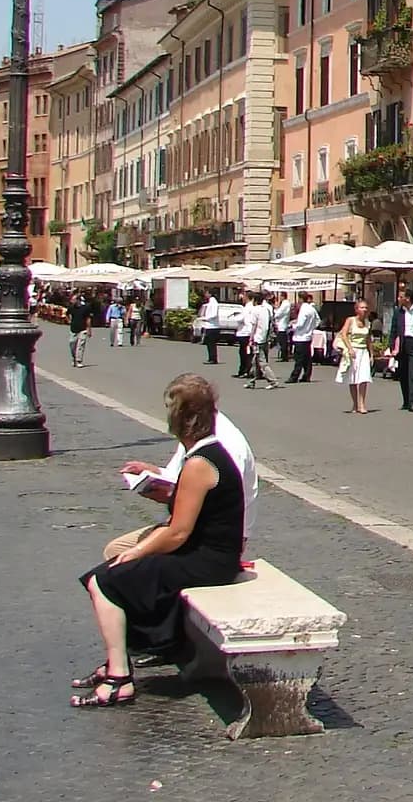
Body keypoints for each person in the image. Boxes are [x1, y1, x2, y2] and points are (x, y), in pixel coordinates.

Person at [72, 375, 244, 709]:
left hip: (207, 561)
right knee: (108, 575)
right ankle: (116, 662)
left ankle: (119, 676)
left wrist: (136, 553)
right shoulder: (206, 454)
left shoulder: (200, 463)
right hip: (205, 553)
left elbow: (178, 531)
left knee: (104, 582)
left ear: (182, 417)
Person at [109, 391, 257, 560]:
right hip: (192, 526)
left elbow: (219, 501)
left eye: (172, 409)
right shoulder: (198, 433)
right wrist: (153, 472)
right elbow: (177, 476)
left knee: (117, 564)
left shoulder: (225, 444)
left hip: (212, 537)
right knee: (116, 551)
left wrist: (171, 496)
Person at [389, 285, 413, 411]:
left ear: (407, 298)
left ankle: (412, 402)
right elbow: (394, 330)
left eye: (401, 296)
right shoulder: (398, 312)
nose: (398, 298)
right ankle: (405, 400)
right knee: (403, 373)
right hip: (402, 343)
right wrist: (391, 346)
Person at [335, 298, 374, 414]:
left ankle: (362, 404)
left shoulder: (368, 322)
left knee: (364, 377)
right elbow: (343, 334)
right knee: (353, 378)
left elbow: (368, 339)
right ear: (356, 309)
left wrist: (371, 354)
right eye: (362, 307)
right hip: (353, 352)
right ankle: (355, 403)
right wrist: (350, 348)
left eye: (366, 308)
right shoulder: (350, 320)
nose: (364, 310)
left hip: (363, 352)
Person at [244, 292, 280, 390]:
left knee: (262, 362)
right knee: (255, 361)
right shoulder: (267, 310)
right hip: (265, 338)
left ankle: (273, 381)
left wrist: (251, 338)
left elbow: (254, 326)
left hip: (258, 338)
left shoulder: (255, 310)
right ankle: (252, 381)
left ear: (254, 301)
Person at [287, 291, 320, 383]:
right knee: (307, 358)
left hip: (300, 336)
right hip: (308, 336)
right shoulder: (311, 309)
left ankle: (294, 376)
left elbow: (300, 324)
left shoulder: (303, 309)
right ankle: (306, 375)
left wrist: (292, 326)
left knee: (299, 358)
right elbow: (318, 320)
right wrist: (311, 327)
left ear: (300, 299)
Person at [67, 289, 95, 368]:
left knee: (81, 345)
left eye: (73, 299)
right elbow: (67, 314)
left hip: (83, 328)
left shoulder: (85, 308)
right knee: (72, 344)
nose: (72, 301)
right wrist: (69, 320)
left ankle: (79, 360)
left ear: (78, 300)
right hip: (73, 328)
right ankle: (74, 358)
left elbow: (88, 319)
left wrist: (89, 329)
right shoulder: (71, 307)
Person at [233, 296, 256, 379]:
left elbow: (241, 318)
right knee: (248, 353)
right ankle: (247, 370)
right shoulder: (252, 308)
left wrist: (235, 316)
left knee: (244, 354)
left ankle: (244, 371)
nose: (242, 298)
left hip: (244, 332)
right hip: (249, 332)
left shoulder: (247, 308)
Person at [198, 292, 221, 365]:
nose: (205, 294)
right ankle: (211, 357)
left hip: (213, 326)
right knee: (209, 343)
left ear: (210, 294)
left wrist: (205, 318)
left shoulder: (214, 303)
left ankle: (213, 358)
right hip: (209, 325)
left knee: (211, 343)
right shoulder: (210, 302)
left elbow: (214, 314)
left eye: (207, 293)